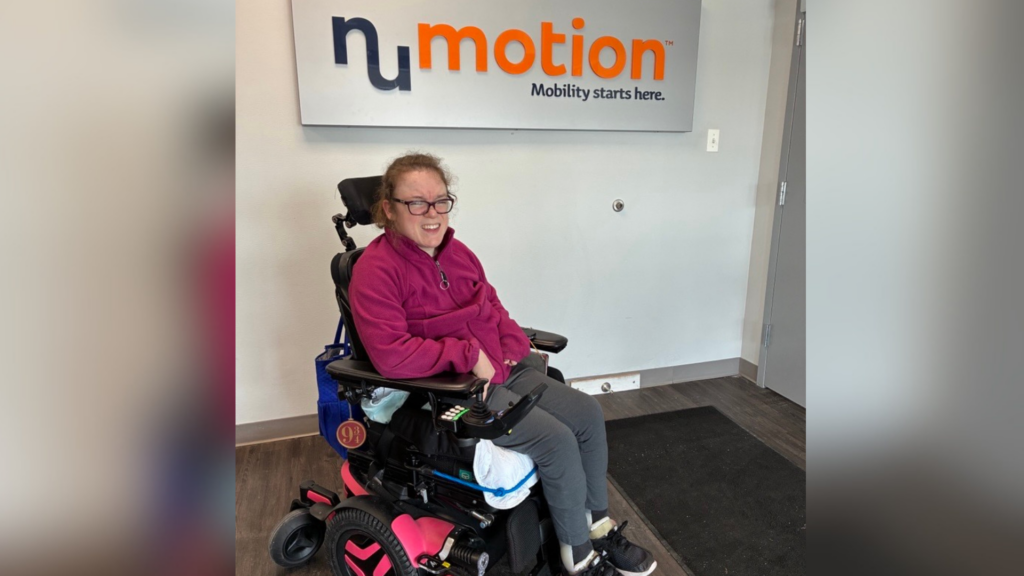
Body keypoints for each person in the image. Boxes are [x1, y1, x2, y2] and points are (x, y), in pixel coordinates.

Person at [349, 153, 656, 576]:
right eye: (416, 203)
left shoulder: (459, 254)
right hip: (447, 390)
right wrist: (467, 355)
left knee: (587, 413)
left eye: (441, 201)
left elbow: (491, 306)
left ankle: (597, 525)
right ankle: (577, 556)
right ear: (389, 208)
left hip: (497, 372)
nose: (432, 213)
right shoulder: (376, 270)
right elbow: (391, 353)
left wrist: (511, 342)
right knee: (556, 441)